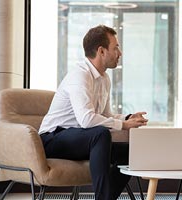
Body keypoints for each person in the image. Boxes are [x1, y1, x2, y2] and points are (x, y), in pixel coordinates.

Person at [38, 25, 148, 200]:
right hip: (52, 138)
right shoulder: (79, 76)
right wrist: (123, 125)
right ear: (101, 51)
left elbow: (105, 115)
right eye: (116, 47)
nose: (120, 53)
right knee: (101, 134)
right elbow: (87, 120)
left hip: (81, 138)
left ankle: (106, 197)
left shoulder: (104, 78)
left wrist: (128, 118)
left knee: (131, 154)